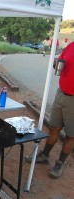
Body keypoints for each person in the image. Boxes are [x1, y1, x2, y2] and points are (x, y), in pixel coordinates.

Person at [26, 41, 74, 179]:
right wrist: (56, 62)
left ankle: (60, 163)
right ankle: (45, 155)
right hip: (61, 93)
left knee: (71, 135)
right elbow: (61, 61)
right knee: (54, 128)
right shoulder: (71, 45)